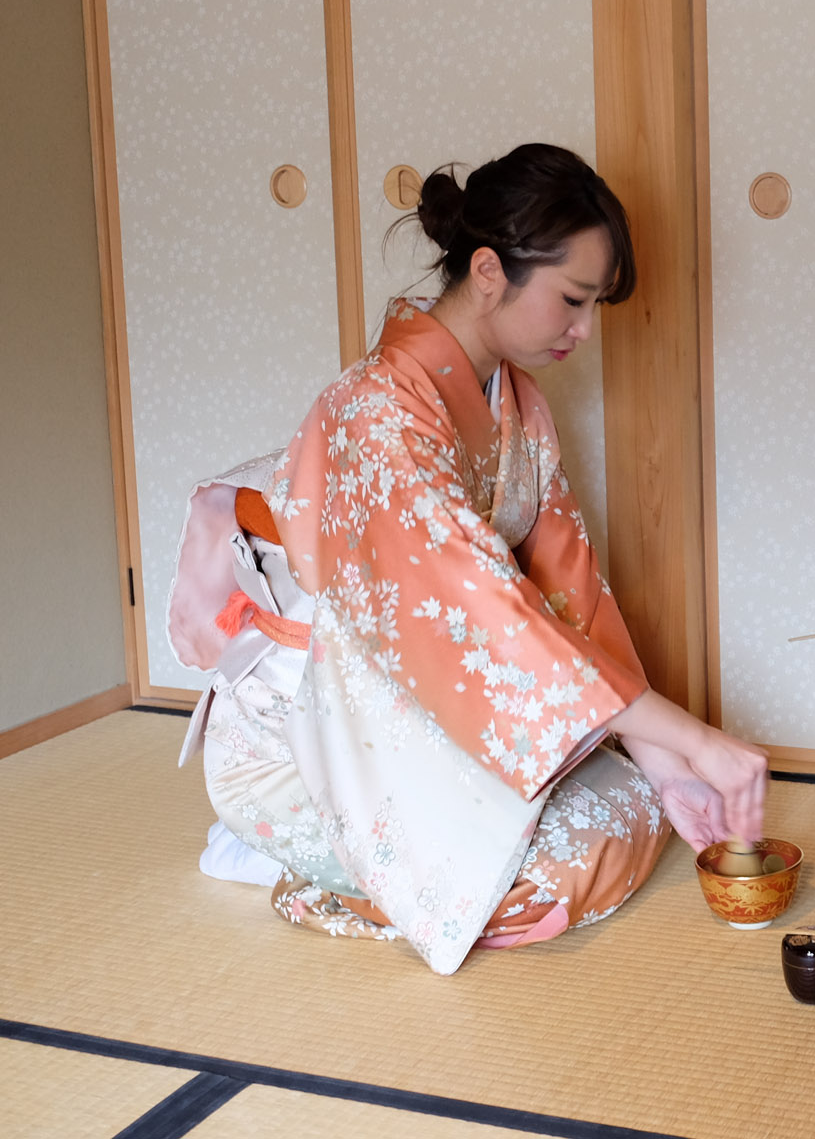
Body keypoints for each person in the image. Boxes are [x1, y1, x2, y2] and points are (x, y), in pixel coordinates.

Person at [167, 143, 767, 974]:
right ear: (489, 270)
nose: (584, 330)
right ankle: (282, 850)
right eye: (572, 299)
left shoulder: (514, 404)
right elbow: (487, 620)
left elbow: (569, 600)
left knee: (636, 807)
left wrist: (670, 769)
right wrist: (698, 739)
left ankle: (369, 859)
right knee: (561, 868)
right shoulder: (374, 417)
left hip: (411, 707)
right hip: (309, 738)